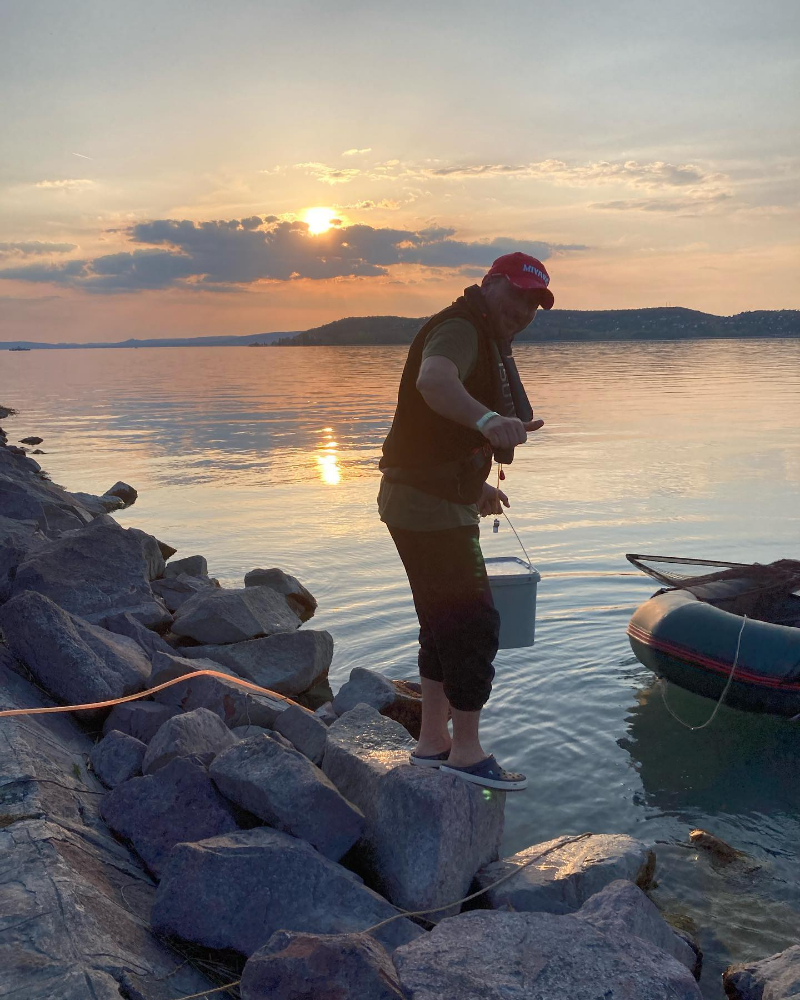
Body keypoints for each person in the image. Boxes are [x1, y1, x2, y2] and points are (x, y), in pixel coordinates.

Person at [378, 252, 554, 792]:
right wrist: (486, 418)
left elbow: (432, 436)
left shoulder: (481, 332)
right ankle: (468, 754)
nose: (524, 310)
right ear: (490, 282)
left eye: (534, 303)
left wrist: (473, 485)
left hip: (426, 499)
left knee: (439, 622)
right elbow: (434, 381)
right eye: (517, 294)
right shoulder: (458, 327)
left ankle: (433, 742)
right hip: (425, 510)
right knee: (474, 625)